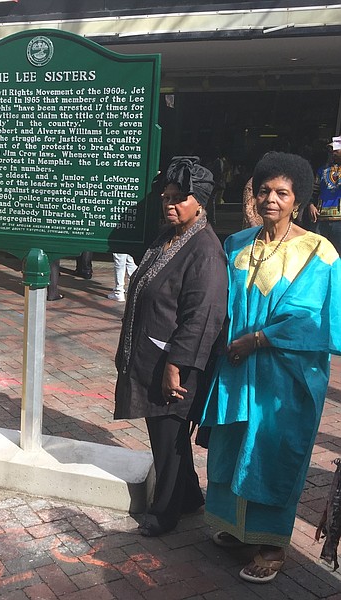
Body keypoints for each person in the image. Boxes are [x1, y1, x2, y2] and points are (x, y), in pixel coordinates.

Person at [202, 152, 341, 584]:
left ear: (297, 198)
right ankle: (235, 525)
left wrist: (258, 339)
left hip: (287, 376)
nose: (271, 199)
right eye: (264, 190)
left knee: (275, 450)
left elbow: (311, 316)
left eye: (282, 192)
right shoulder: (237, 244)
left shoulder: (319, 251)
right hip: (237, 369)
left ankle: (271, 544)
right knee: (232, 443)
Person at [114, 156, 228, 537]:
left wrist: (177, 364)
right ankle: (191, 497)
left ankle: (164, 514)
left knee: (168, 442)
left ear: (201, 202)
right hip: (152, 354)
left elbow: (203, 314)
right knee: (167, 437)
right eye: (166, 196)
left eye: (179, 197)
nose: (170, 203)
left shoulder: (206, 250)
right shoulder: (169, 237)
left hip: (173, 362)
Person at [308, 136, 341, 255]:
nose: (333, 153)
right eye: (331, 151)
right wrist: (311, 204)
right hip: (321, 217)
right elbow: (314, 191)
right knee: (319, 252)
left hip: (339, 219)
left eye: (336, 150)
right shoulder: (322, 170)